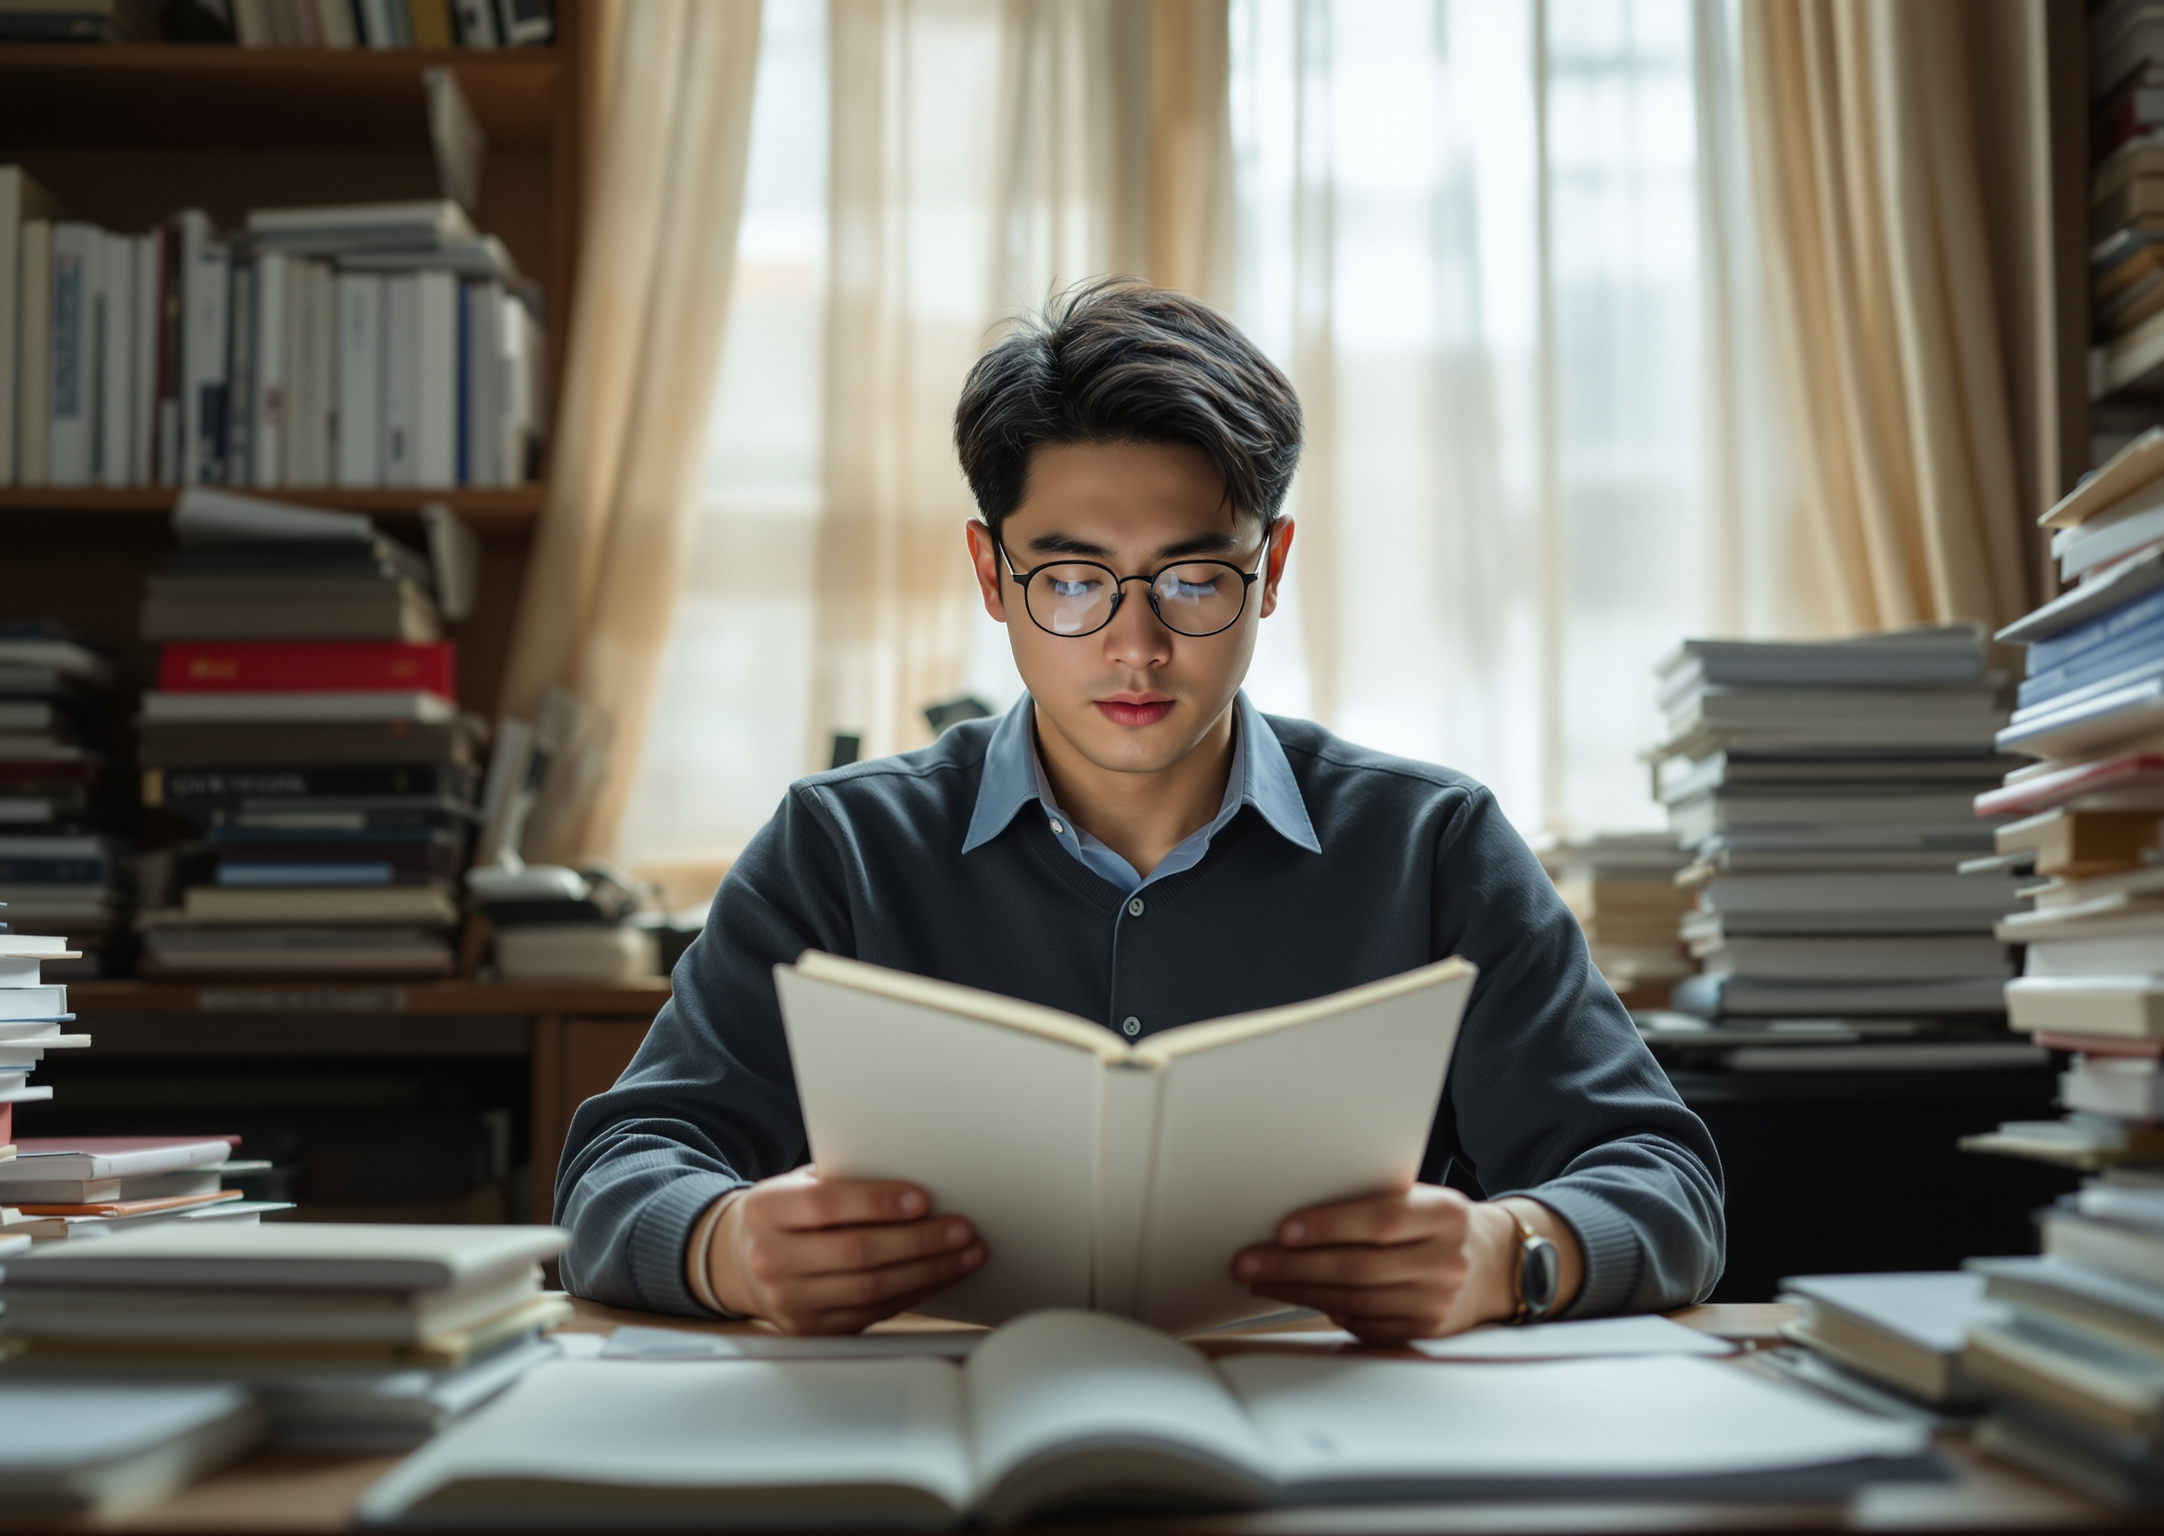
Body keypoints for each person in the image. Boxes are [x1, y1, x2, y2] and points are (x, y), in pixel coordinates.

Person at [555, 279, 1724, 1342]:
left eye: (1194, 578)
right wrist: (727, 1247)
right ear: (990, 574)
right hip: (924, 1421)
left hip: (1332, 1431)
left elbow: (1664, 1181)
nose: (1136, 645)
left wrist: (1506, 1255)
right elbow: (620, 1169)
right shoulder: (840, 847)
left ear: (1270, 570)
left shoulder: (1432, 845)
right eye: (1071, 580)